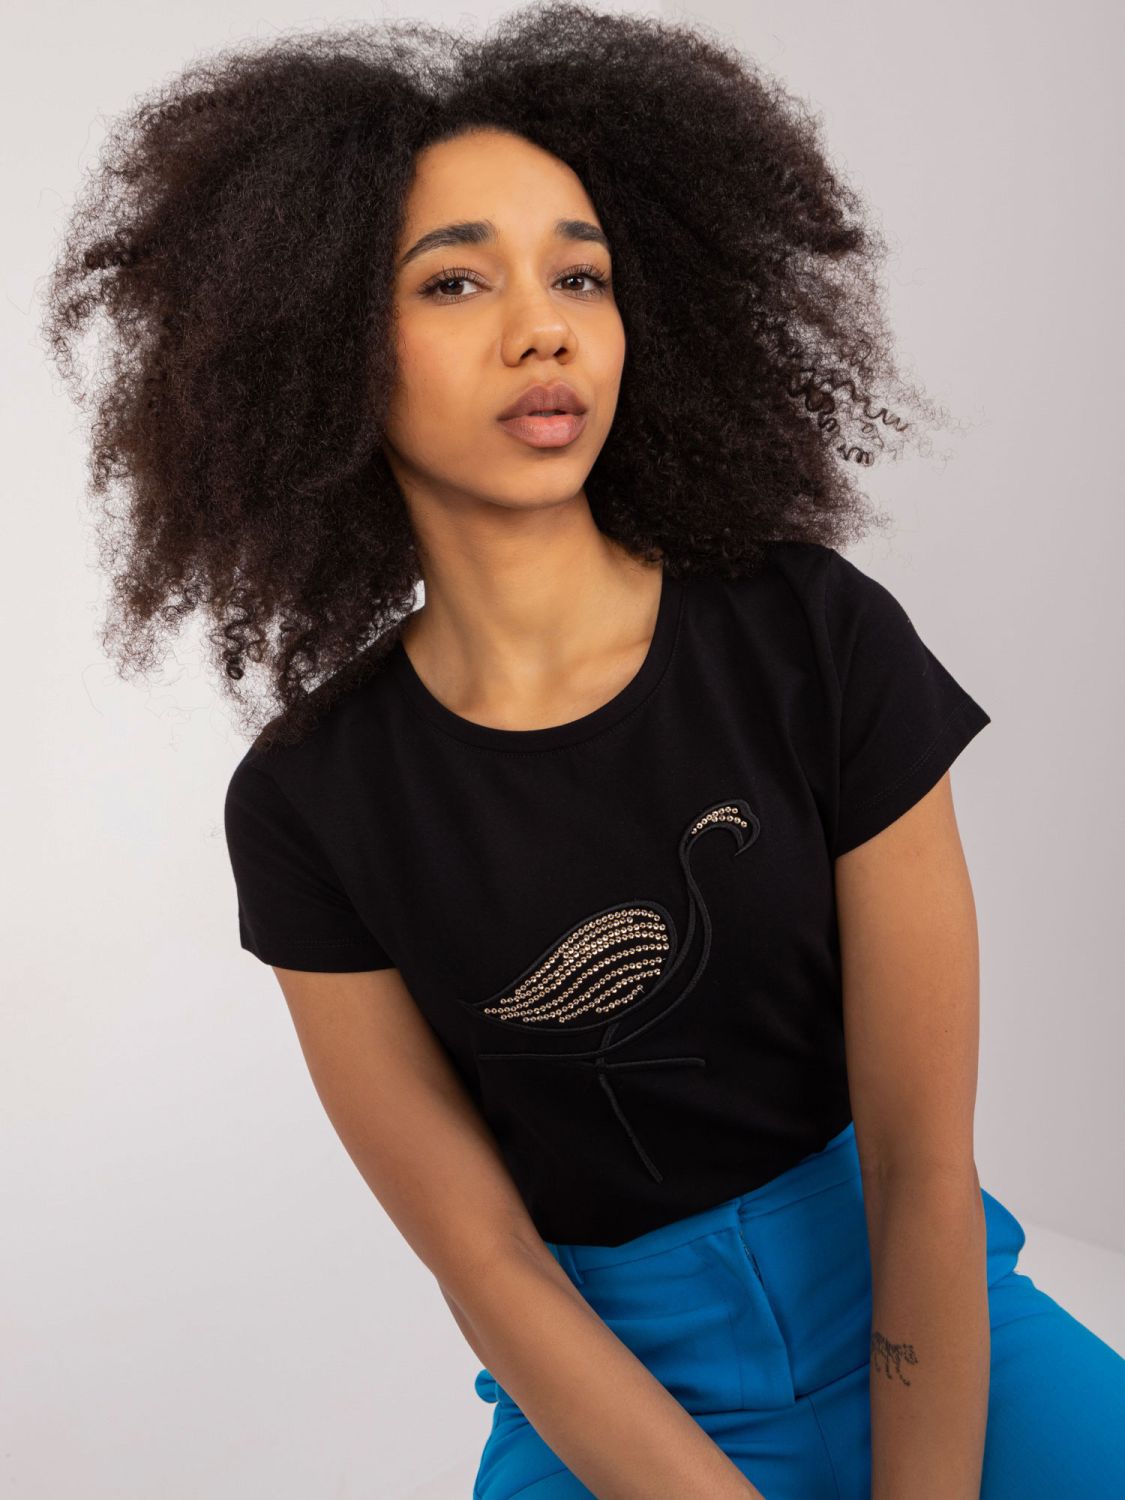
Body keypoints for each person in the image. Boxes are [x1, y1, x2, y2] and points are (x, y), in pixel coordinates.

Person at [41, 7, 1125, 1497]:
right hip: (612, 1401)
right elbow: (486, 1259)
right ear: (323, 345)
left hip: (927, 1327)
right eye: (455, 279)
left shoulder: (811, 636)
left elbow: (921, 1162)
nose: (542, 327)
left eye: (580, 275)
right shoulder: (309, 803)